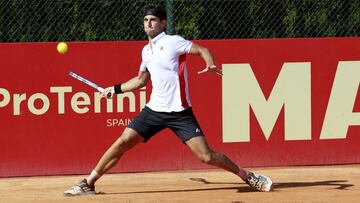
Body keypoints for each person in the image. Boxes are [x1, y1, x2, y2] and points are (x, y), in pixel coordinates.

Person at [64, 4, 272, 196]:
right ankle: (88, 183)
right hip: (153, 110)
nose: (149, 24)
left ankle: (247, 176)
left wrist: (210, 63)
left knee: (206, 156)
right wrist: (115, 89)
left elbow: (201, 50)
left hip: (180, 112)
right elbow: (140, 81)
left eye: (153, 20)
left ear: (163, 23)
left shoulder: (173, 42)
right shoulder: (146, 51)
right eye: (146, 20)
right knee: (122, 142)